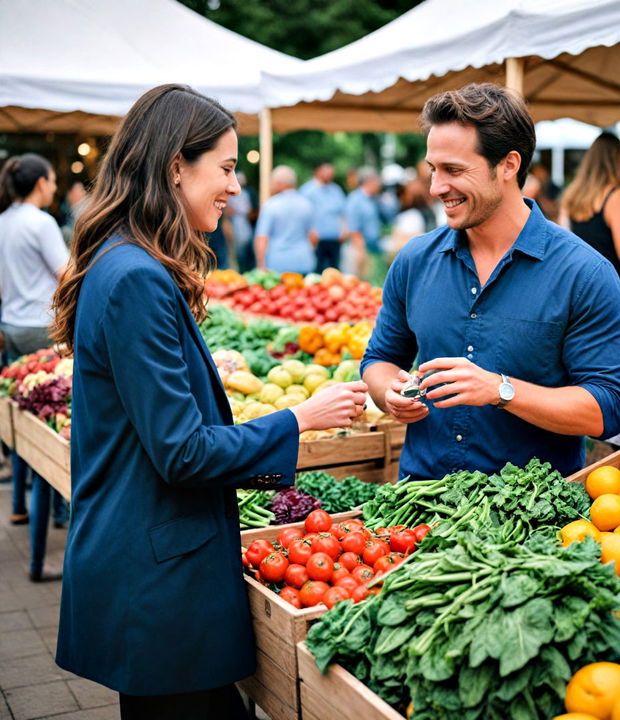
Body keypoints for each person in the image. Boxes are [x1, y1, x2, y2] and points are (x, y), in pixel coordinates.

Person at [50, 84, 367, 718]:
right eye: (225, 168)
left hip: (146, 561)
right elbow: (182, 453)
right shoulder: (137, 275)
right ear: (175, 165)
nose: (235, 186)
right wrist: (300, 418)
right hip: (158, 575)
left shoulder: (123, 260)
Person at [361, 83, 620, 480]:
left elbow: (606, 409)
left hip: (529, 524)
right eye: (433, 169)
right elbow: (380, 359)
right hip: (418, 512)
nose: (436, 187)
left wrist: (501, 390)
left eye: (454, 170)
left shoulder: (584, 272)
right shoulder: (414, 260)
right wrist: (389, 394)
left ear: (508, 165)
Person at [0, 153, 69, 581]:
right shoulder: (40, 222)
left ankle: (20, 507)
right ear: (41, 182)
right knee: (49, 431)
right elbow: (66, 272)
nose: (55, 186)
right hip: (42, 328)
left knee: (25, 421)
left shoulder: (4, 219)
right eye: (53, 179)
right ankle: (54, 512)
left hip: (11, 324)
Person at [560, 132, 620, 288]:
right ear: (618, 161)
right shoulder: (616, 196)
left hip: (576, 285)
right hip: (607, 286)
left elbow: (564, 243)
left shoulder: (571, 195)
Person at [254, 165, 315, 274]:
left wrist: (260, 264)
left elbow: (262, 238)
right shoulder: (307, 204)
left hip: (277, 264)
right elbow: (314, 236)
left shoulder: (270, 205)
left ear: (280, 184)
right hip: (304, 261)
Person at [299, 161, 347, 272]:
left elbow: (342, 212)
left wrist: (344, 229)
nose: (329, 174)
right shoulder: (307, 191)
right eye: (326, 170)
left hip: (335, 239)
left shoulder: (336, 190)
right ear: (317, 171)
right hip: (317, 240)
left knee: (335, 270)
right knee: (317, 270)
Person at [345, 167, 383, 279]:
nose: (379, 184)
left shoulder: (372, 199)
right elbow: (354, 228)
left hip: (371, 248)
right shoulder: (355, 200)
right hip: (359, 248)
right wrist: (360, 252)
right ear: (369, 181)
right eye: (377, 180)